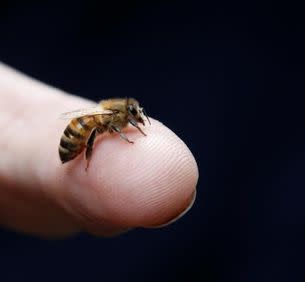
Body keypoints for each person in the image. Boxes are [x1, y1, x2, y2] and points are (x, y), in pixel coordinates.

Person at [0, 62, 198, 237]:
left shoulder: (117, 114)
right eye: (133, 114)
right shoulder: (113, 116)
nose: (136, 118)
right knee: (92, 131)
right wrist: (126, 138)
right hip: (77, 131)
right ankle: (86, 159)